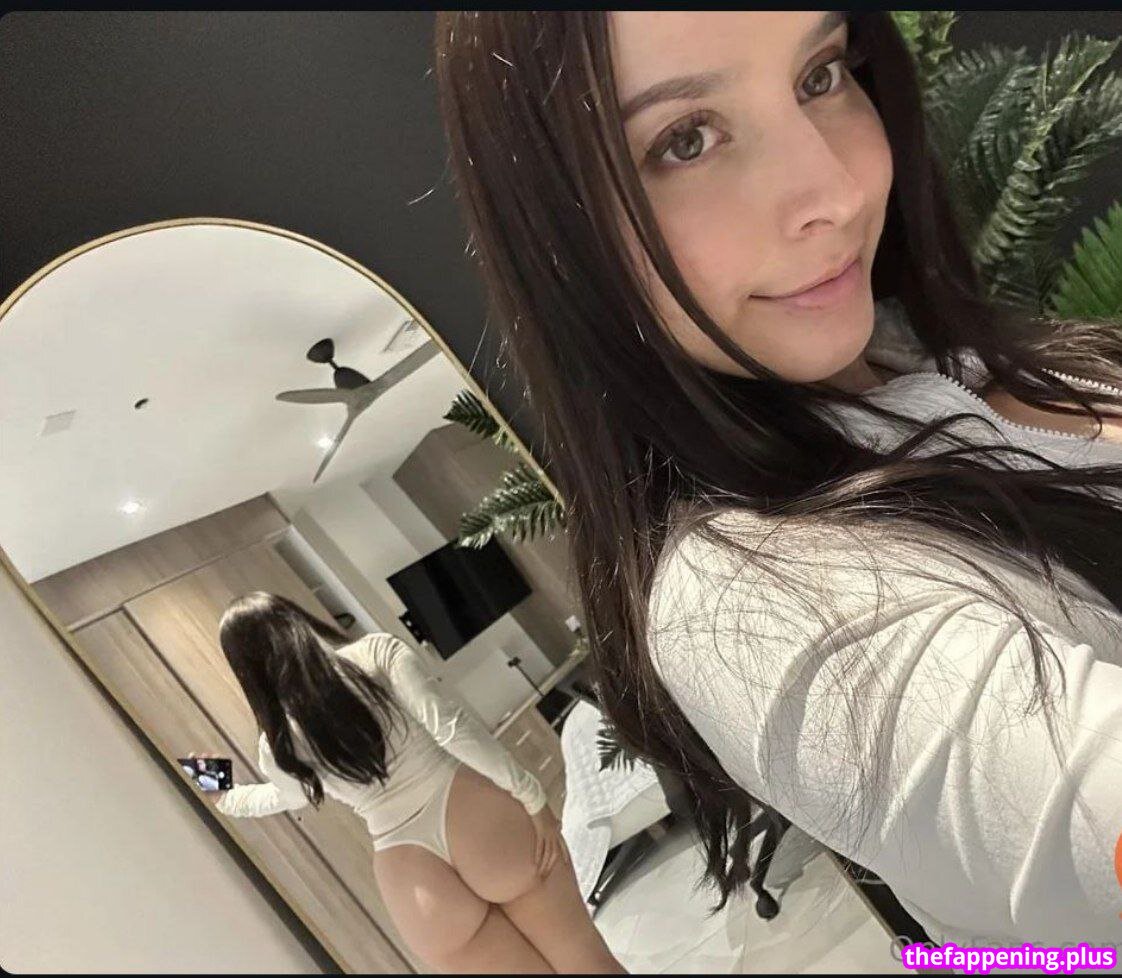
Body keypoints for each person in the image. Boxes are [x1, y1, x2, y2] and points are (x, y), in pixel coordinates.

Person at [432, 10, 1122, 949]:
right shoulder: (750, 605)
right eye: (685, 139)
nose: (834, 187)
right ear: (560, 235)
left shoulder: (931, 359)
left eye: (820, 76)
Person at [194, 591, 626, 974]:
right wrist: (533, 799)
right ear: (295, 620)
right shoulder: (375, 653)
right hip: (473, 820)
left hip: (411, 879)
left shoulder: (277, 746)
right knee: (585, 961)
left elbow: (281, 798)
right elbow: (450, 729)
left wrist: (218, 786)